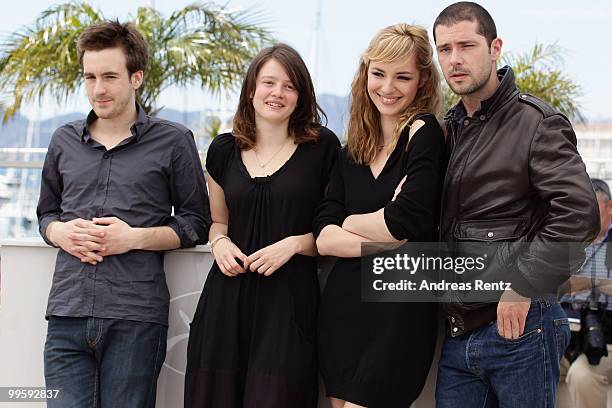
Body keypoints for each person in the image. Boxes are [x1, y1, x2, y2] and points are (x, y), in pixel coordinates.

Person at [432, 2, 600, 407]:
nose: (454, 59)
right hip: (460, 335)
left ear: (495, 48)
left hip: (521, 329)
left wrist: (524, 284)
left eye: (467, 46)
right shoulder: (449, 128)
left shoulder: (535, 122)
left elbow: (581, 213)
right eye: (444, 49)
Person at [36, 21, 211, 408]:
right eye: (90, 77)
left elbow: (197, 223)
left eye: (110, 76)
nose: (99, 88)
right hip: (66, 314)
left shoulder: (174, 141)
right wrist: (60, 233)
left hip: (136, 317)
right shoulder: (63, 140)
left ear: (136, 77)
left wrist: (134, 237)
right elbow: (46, 214)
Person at [184, 43, 340, 407]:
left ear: (300, 96)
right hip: (225, 301)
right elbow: (218, 220)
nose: (278, 93)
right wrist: (219, 242)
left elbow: (332, 231)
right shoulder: (224, 149)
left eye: (289, 86)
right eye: (269, 83)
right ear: (251, 89)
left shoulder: (323, 148)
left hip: (288, 306)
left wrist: (294, 244)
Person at [313, 24, 447, 407]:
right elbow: (323, 235)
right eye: (378, 73)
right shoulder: (351, 149)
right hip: (342, 309)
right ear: (365, 74)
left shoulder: (425, 134)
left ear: (421, 81)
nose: (387, 87)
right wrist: (380, 233)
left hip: (398, 313)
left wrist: (351, 223)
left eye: (402, 76)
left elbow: (404, 221)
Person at [558, 178, 612, 408]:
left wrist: (583, 285)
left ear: (610, 207)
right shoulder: (569, 241)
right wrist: (597, 283)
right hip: (565, 331)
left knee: (582, 376)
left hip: (603, 334)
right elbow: (554, 284)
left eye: (594, 209)